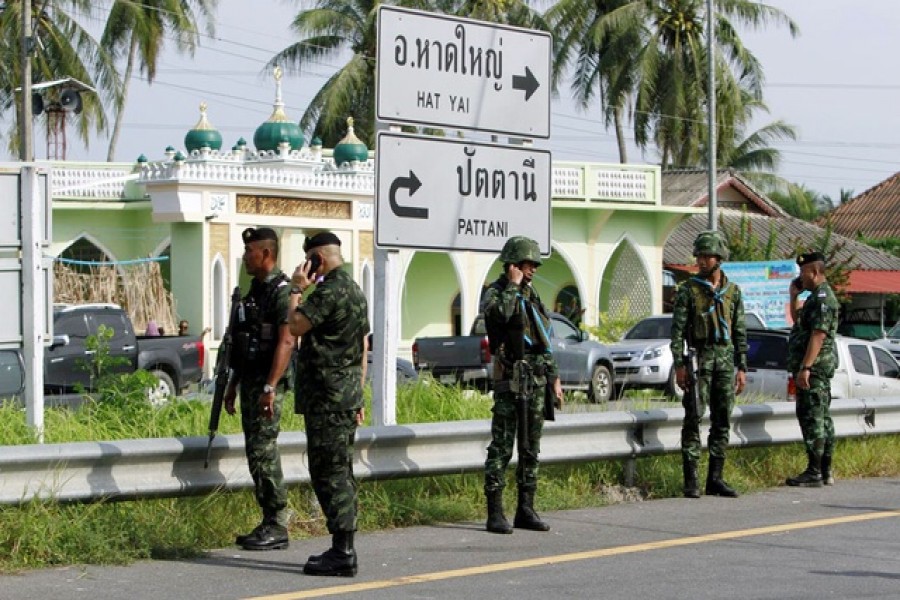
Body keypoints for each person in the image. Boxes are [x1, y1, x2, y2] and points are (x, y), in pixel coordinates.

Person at [288, 231, 369, 577]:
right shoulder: (354, 290)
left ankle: (342, 551)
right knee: (341, 470)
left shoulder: (327, 292)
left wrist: (295, 289)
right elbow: (362, 348)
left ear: (316, 259)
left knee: (329, 472)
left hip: (326, 399)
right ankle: (343, 546)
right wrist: (358, 393)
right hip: (344, 397)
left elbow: (294, 326)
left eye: (309, 261)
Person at [481, 235, 563, 534]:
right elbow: (500, 316)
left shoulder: (532, 295)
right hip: (510, 378)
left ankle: (525, 509)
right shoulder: (496, 293)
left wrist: (554, 379)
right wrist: (513, 286)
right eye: (528, 264)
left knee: (530, 447)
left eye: (534, 266)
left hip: (536, 379)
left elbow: (544, 339)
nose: (533, 270)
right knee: (502, 446)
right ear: (513, 264)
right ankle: (495, 512)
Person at [223, 227, 296, 551]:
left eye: (250, 250)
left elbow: (287, 340)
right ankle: (268, 519)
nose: (245, 256)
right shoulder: (253, 291)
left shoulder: (282, 291)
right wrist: (232, 384)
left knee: (264, 449)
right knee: (255, 451)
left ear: (266, 254)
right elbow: (243, 340)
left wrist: (270, 386)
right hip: (250, 381)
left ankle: (278, 521)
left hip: (268, 385)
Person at [670, 230, 748, 499]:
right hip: (699, 358)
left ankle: (715, 478)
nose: (701, 261)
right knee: (693, 415)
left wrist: (742, 367)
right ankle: (691, 480)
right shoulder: (688, 291)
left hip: (725, 358)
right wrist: (679, 364)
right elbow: (677, 332)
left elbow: (740, 332)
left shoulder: (733, 292)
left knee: (723, 417)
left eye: (707, 256)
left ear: (719, 258)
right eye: (699, 256)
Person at [786, 251, 839, 487]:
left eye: (803, 272)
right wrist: (793, 297)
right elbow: (801, 323)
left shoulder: (823, 298)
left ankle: (815, 471)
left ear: (815, 272)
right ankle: (824, 470)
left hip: (814, 370)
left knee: (813, 418)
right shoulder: (814, 297)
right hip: (813, 369)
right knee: (820, 418)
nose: (801, 277)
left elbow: (818, 335)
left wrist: (806, 368)